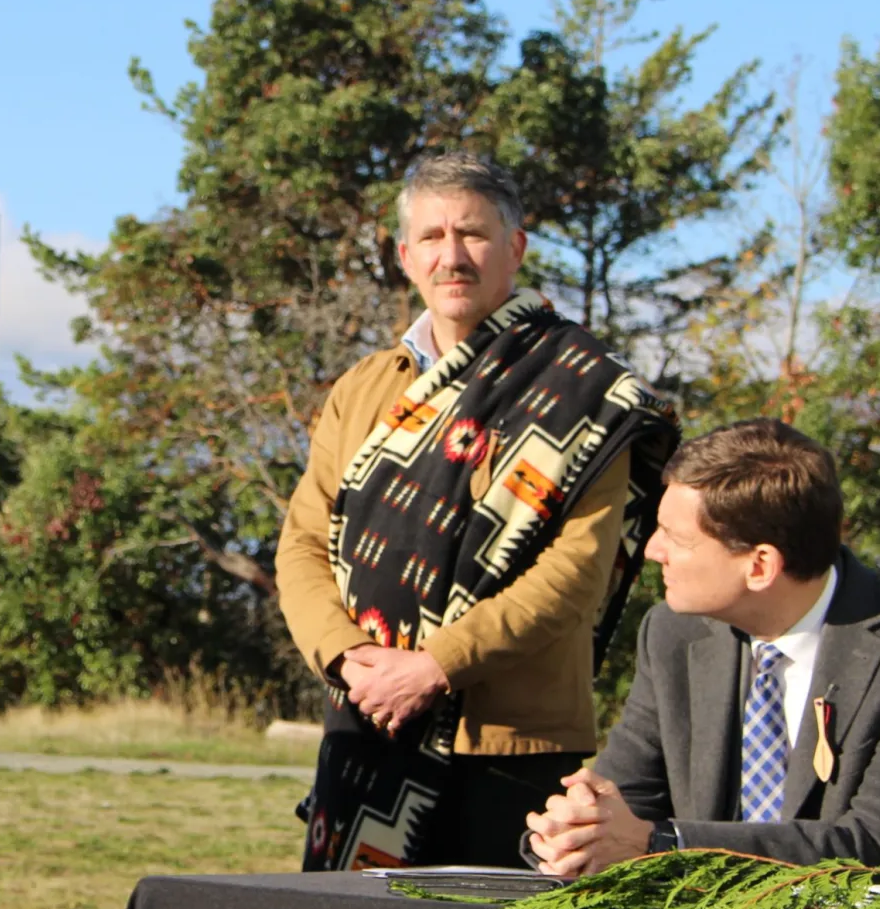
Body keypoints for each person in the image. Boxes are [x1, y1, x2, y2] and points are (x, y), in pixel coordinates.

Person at [279, 152, 678, 871]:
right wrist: (350, 659)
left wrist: (435, 666)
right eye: (431, 237)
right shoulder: (363, 388)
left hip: (512, 747)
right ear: (406, 257)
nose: (452, 256)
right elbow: (303, 542)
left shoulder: (584, 390)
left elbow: (575, 574)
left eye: (473, 234)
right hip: (366, 722)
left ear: (515, 247)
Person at [525, 419, 880, 878]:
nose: (652, 550)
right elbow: (627, 798)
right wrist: (576, 831)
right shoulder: (673, 634)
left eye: (676, 537)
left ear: (760, 566)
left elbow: (876, 845)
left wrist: (664, 844)